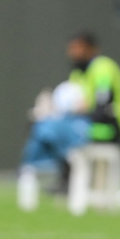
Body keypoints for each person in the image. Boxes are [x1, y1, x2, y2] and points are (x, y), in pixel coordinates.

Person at [17, 81, 91, 211]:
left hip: (40, 167)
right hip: (51, 168)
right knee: (79, 164)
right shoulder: (73, 123)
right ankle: (77, 206)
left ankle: (28, 207)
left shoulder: (48, 122)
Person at [67, 32, 120, 144]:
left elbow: (103, 101)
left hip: (112, 125)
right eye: (72, 48)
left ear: (92, 49)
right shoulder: (76, 74)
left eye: (79, 48)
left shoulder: (103, 67)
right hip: (91, 123)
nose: (74, 53)